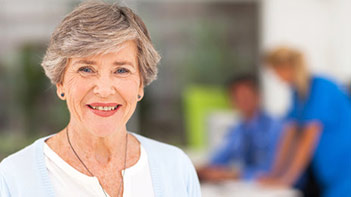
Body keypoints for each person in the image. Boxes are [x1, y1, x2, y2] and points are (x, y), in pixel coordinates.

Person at [0, 2, 201, 197]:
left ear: (140, 84)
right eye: (86, 69)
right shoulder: (13, 177)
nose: (104, 90)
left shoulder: (175, 168)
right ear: (60, 82)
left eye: (121, 70)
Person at [259, 47, 351, 197]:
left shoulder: (321, 87)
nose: (276, 77)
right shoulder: (298, 93)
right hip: (328, 172)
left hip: (345, 168)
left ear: (286, 67)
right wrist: (274, 174)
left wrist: (287, 180)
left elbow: (308, 139)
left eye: (275, 71)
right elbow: (288, 136)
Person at [197, 74, 284, 182]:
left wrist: (234, 175)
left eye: (246, 95)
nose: (243, 101)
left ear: (258, 96)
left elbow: (273, 169)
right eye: (237, 97)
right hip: (249, 188)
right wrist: (200, 170)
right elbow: (219, 159)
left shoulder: (274, 127)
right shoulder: (237, 130)